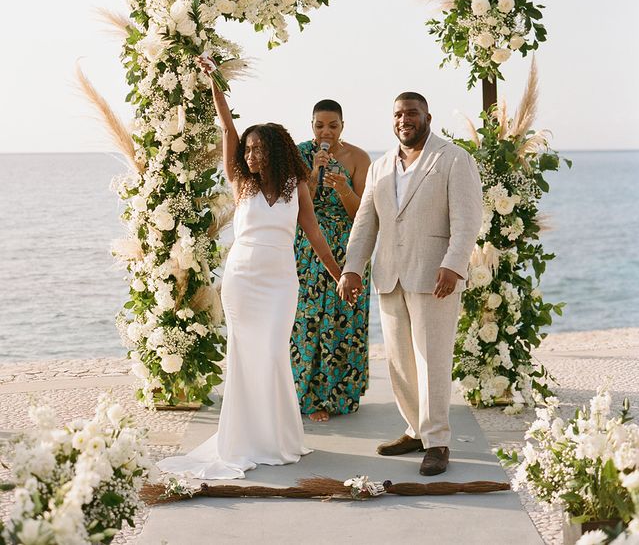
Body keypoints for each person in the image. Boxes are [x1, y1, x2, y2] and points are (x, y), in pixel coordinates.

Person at [158, 62, 342, 480]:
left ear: (276, 151)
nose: (251, 155)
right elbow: (227, 128)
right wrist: (215, 83)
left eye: (259, 149)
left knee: (273, 354)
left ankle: (275, 438)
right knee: (244, 358)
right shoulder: (240, 183)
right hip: (241, 280)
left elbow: (314, 234)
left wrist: (339, 275)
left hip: (280, 282)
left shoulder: (297, 187)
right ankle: (245, 439)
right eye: (248, 149)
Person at [338, 92, 482, 476]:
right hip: (390, 276)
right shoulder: (380, 166)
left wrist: (453, 265)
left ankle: (437, 442)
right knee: (400, 362)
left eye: (412, 113)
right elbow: (365, 223)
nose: (405, 120)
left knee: (432, 361)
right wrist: (352, 268)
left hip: (435, 277)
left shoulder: (453, 158)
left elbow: (468, 220)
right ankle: (415, 430)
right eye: (399, 114)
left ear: (427, 117)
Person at [291, 99, 371, 422]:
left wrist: (343, 189)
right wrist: (313, 173)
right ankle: (308, 396)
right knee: (308, 320)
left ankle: (339, 395)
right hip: (309, 248)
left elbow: (363, 215)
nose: (326, 131)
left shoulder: (359, 158)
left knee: (343, 319)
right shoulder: (298, 155)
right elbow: (296, 206)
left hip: (347, 247)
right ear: (311, 125)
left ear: (342, 126)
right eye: (319, 125)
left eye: (333, 126)